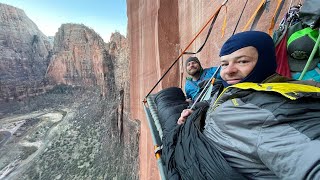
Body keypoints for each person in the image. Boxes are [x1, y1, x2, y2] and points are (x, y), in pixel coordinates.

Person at [178, 31, 320, 179]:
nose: (229, 71)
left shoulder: (267, 112)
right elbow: (218, 98)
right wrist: (195, 109)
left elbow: (305, 154)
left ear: (264, 61)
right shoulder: (238, 87)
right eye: (224, 64)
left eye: (242, 61)